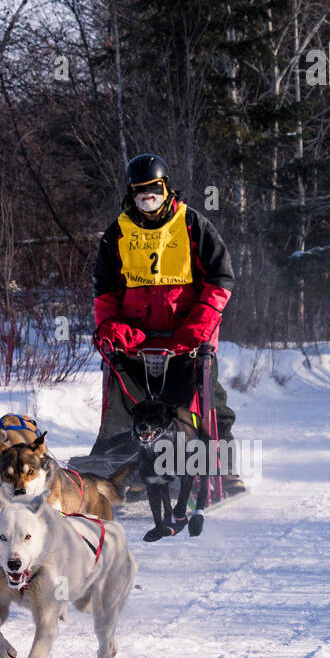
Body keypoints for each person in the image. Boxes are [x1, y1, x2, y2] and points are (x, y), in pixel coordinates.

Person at [89, 153, 238, 474]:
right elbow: (105, 291)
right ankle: (122, 470)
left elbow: (220, 280)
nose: (148, 196)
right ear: (130, 193)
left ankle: (223, 470)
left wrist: (197, 330)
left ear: (166, 186)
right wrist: (110, 329)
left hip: (188, 340)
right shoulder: (117, 233)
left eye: (154, 187)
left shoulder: (193, 224)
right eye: (140, 190)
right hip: (134, 342)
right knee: (127, 403)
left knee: (209, 401)